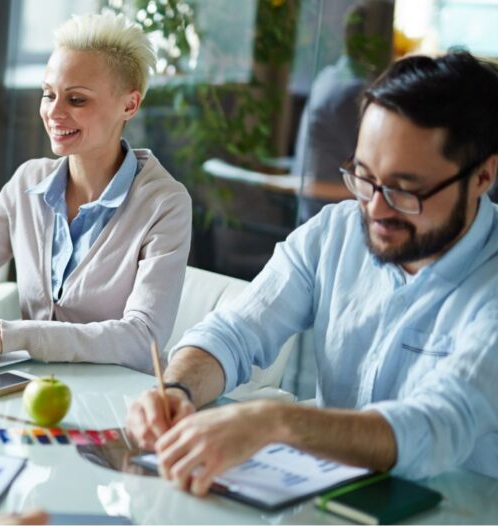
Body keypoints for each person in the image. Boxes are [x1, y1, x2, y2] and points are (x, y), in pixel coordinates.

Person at [126, 52, 498, 495]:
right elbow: (235, 331)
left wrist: (276, 421)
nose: (375, 209)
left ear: (482, 176)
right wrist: (178, 389)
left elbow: (436, 426)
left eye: (405, 190)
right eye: (363, 176)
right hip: (327, 504)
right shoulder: (336, 231)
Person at [0, 13, 192, 373]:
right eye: (49, 94)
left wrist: (14, 336)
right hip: (27, 389)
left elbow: (143, 338)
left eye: (76, 100)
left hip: (113, 402)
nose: (54, 113)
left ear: (129, 105)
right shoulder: (26, 182)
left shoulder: (164, 204)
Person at [294, 0, 393, 220]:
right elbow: (377, 161)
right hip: (330, 207)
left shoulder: (330, 76)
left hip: (319, 202)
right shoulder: (353, 92)